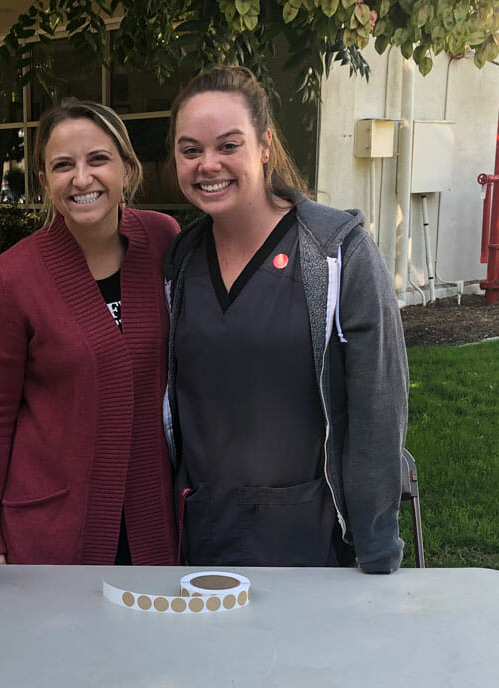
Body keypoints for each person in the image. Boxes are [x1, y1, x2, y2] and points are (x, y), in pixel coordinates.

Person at [163, 66, 410, 573]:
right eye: (191, 150)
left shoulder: (337, 254)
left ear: (265, 145)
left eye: (228, 145)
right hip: (201, 540)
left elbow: (378, 412)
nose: (208, 164)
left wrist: (377, 546)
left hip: (313, 544)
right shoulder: (179, 264)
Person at [0, 99, 179, 566]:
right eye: (63, 166)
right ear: (45, 182)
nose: (81, 179)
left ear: (127, 169)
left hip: (154, 523)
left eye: (98, 159)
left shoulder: (165, 242)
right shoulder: (12, 278)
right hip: (52, 532)